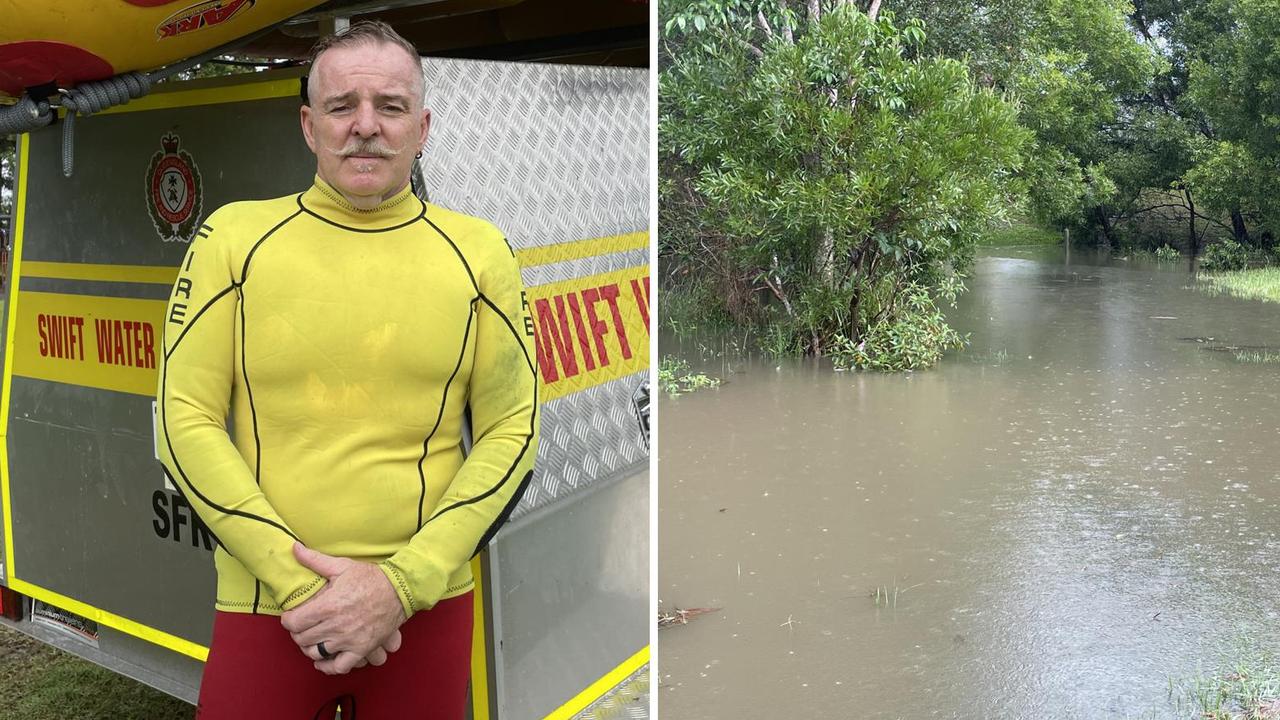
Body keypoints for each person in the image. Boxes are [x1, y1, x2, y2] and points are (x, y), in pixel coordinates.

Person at [155, 20, 539, 719]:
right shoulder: (233, 239)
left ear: (422, 128)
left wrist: (398, 586)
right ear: (309, 125)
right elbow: (184, 420)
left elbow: (514, 431)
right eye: (342, 107)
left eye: (390, 107)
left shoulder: (482, 253)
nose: (366, 126)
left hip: (425, 606)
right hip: (268, 607)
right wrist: (301, 590)